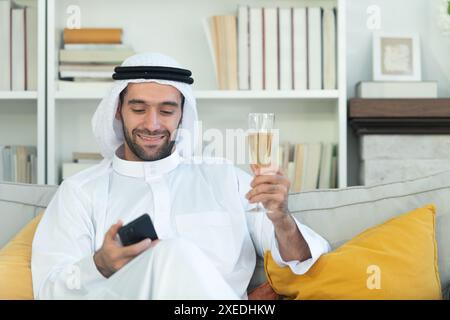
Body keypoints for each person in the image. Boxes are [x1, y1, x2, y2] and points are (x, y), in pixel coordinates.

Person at [31, 53, 330, 300]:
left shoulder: (224, 178)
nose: (152, 124)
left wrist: (282, 219)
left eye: (166, 110)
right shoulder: (79, 192)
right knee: (172, 252)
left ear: (182, 115)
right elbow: (47, 291)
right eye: (138, 108)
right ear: (118, 111)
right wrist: (99, 266)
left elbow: (302, 259)